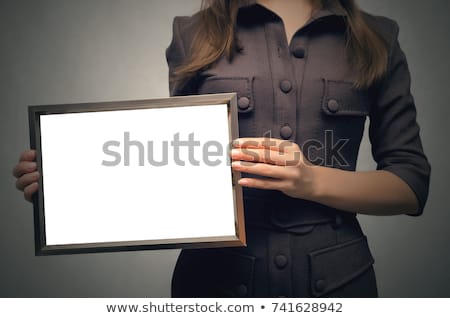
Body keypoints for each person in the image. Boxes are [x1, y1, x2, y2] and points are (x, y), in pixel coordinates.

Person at [13, 0, 431, 297]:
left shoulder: (378, 38)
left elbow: (410, 184)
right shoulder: (193, 34)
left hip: (340, 284)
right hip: (214, 285)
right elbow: (173, 170)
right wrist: (70, 176)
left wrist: (312, 180)